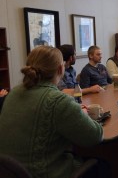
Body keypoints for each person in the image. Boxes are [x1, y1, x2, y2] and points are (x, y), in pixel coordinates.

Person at [0, 46, 105, 178]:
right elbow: (95, 136)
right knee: (103, 165)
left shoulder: (14, 92)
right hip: (42, 173)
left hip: (9, 172)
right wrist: (83, 115)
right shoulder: (57, 101)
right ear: (61, 69)